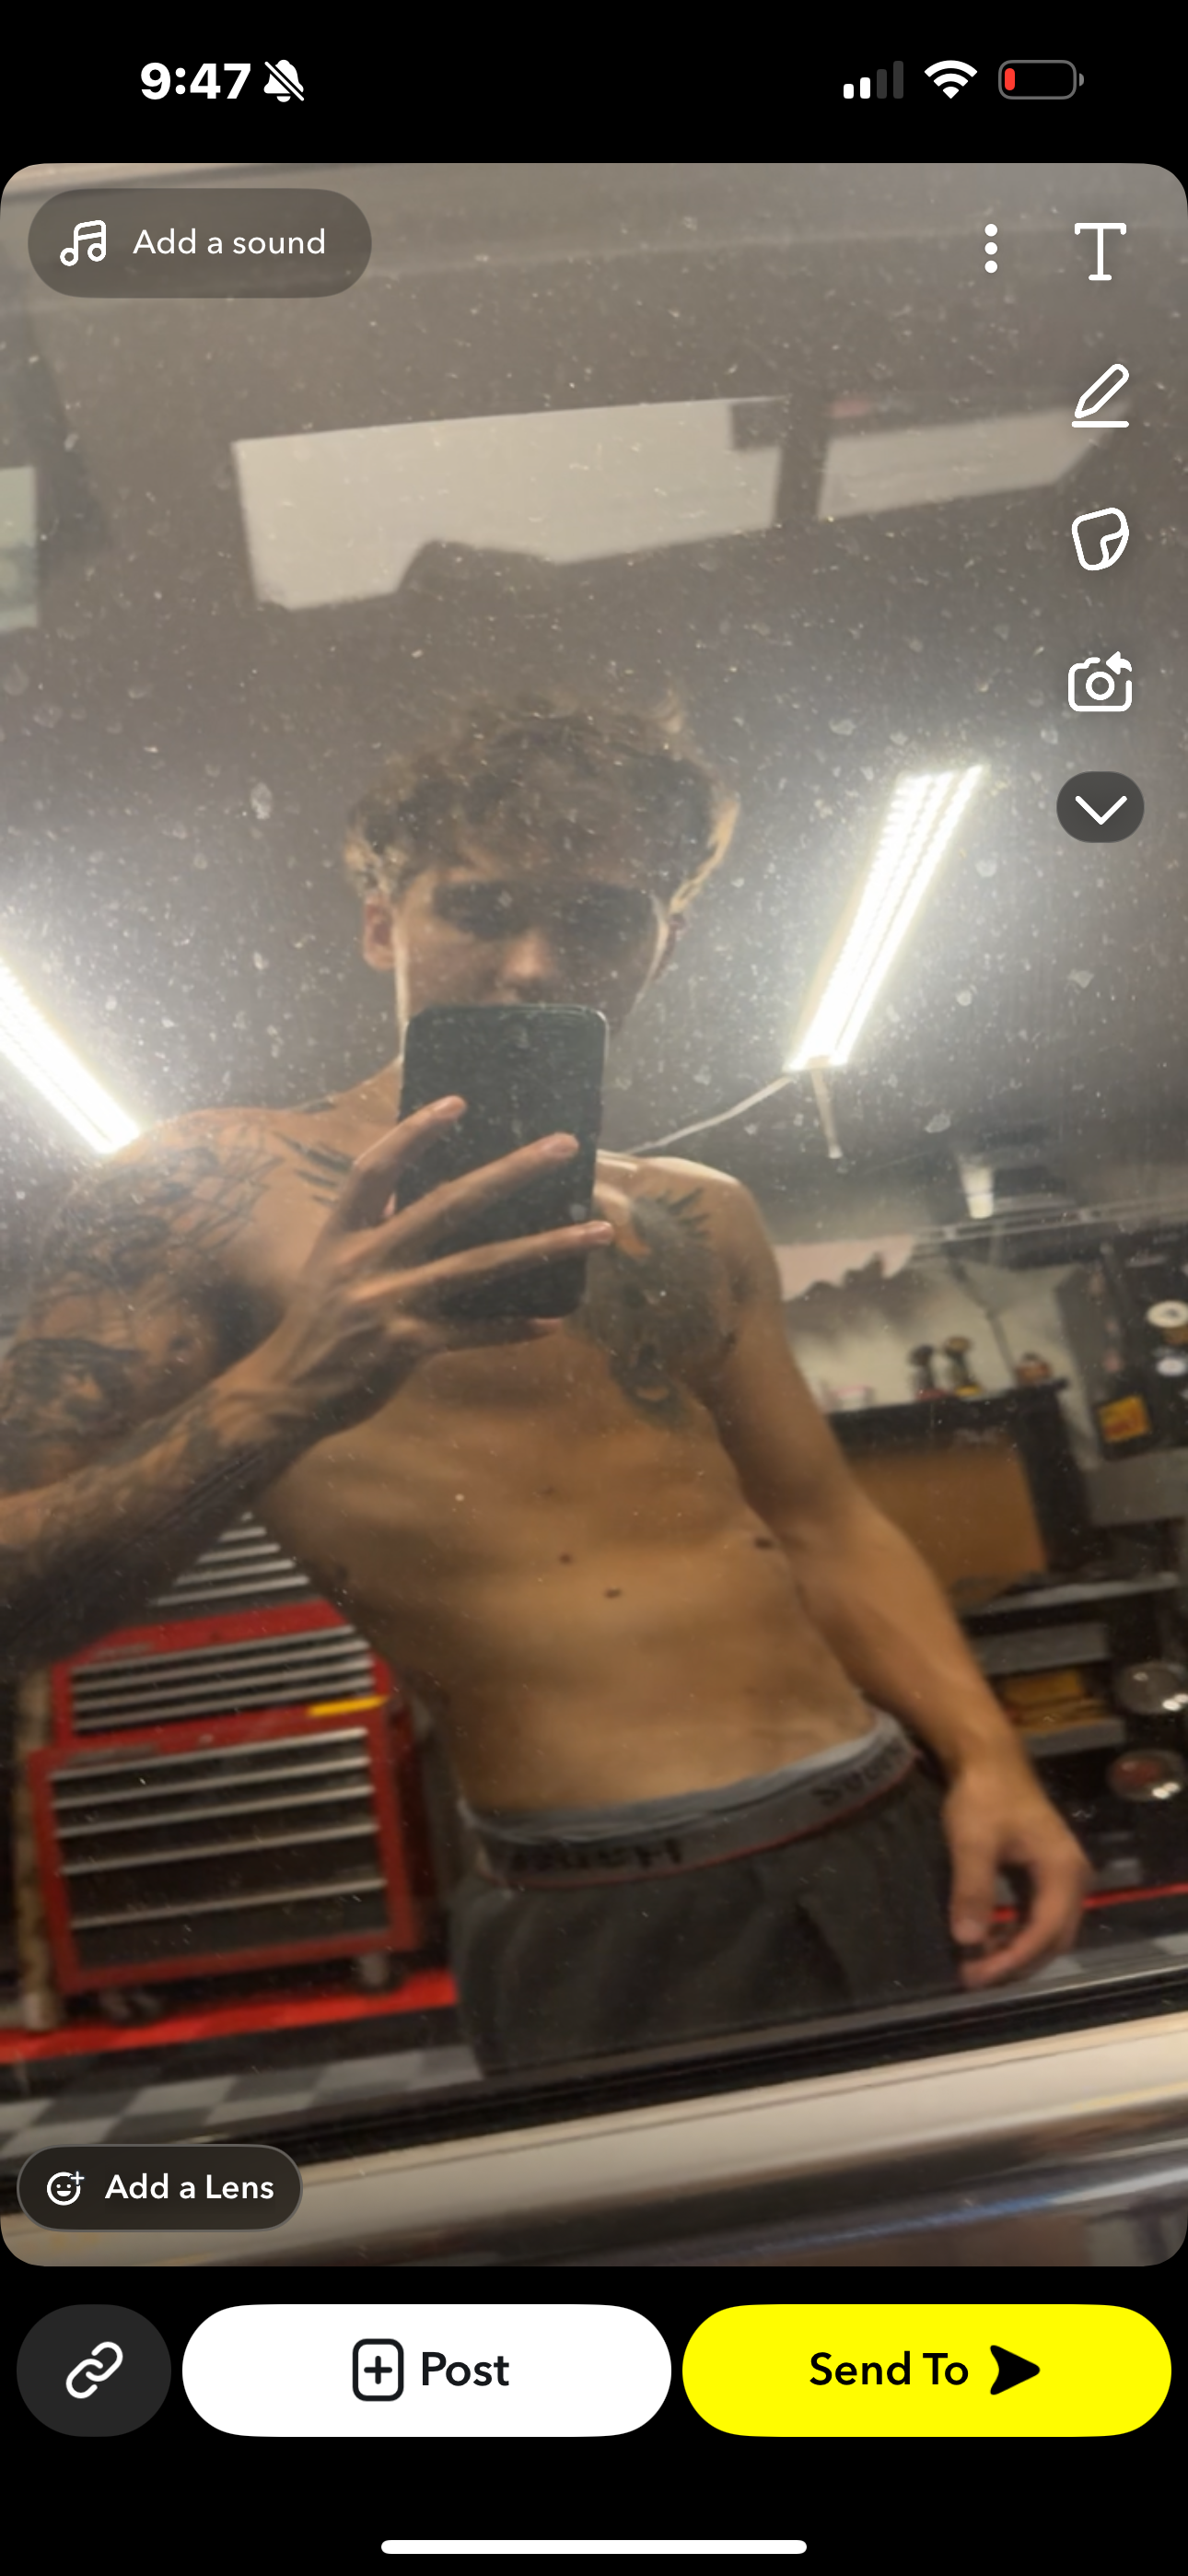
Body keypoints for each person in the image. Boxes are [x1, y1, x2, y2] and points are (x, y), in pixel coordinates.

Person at [0, 697, 1089, 2070]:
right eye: (480, 906)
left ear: (661, 944)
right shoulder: (205, 1191)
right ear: (382, 923)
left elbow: (819, 1523)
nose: (530, 964)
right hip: (606, 1894)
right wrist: (287, 1390)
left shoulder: (700, 1214)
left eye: (597, 919)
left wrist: (987, 1757)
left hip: (885, 1818)